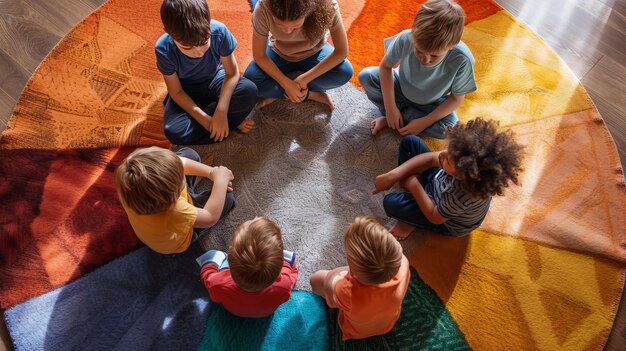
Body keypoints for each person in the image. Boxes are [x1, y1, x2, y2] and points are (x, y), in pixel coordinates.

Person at [373, 118, 524, 240]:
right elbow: (432, 159)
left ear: (462, 176)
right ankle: (418, 202)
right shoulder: (459, 160)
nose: (441, 154)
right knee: (410, 142)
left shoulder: (460, 195)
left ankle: (412, 222)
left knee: (390, 202)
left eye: (448, 160)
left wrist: (413, 184)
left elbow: (434, 216)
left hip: (444, 218)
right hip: (439, 182)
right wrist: (393, 175)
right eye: (448, 148)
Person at [358, 0, 476, 139]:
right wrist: (390, 109)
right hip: (399, 85)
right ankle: (395, 117)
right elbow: (385, 67)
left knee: (450, 130)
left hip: (432, 102)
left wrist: (424, 123)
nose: (425, 60)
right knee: (366, 76)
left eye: (434, 55)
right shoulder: (405, 38)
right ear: (413, 33)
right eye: (418, 51)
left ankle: (397, 119)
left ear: (452, 45)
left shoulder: (462, 59)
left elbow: (456, 99)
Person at [156, 0, 257, 145]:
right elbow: (176, 92)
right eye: (187, 48)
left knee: (249, 90)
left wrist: (221, 111)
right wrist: (206, 120)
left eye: (204, 43)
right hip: (185, 89)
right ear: (169, 33)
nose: (198, 53)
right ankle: (228, 125)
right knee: (173, 131)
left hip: (216, 78)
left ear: (208, 22)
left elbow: (232, 73)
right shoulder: (163, 49)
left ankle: (221, 122)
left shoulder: (219, 31)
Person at [115, 146, 235, 254]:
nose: (182, 173)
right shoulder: (175, 210)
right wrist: (221, 180)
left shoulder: (128, 188)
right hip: (181, 238)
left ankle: (191, 188)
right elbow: (210, 217)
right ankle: (195, 224)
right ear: (173, 199)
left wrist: (211, 172)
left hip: (168, 205)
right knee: (227, 198)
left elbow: (181, 163)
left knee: (189, 154)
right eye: (180, 179)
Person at [310, 216, 410, 340]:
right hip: (387, 323)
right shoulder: (403, 263)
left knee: (316, 279)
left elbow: (331, 292)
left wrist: (340, 273)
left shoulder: (348, 292)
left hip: (356, 331)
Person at [243, 0, 353, 111]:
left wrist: (303, 80)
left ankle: (296, 94)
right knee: (250, 83)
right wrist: (286, 84)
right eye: (280, 25)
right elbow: (259, 56)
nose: (287, 31)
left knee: (344, 72)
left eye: (295, 26)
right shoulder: (263, 8)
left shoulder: (328, 5)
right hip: (279, 53)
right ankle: (303, 94)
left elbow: (341, 52)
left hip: (314, 52)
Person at [196, 217, 299, 318]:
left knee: (212, 254)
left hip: (233, 311)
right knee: (290, 257)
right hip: (264, 314)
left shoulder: (218, 283)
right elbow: (292, 274)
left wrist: (209, 266)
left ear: (229, 257)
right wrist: (288, 266)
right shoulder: (283, 286)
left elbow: (207, 276)